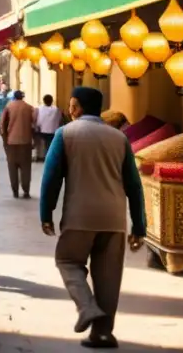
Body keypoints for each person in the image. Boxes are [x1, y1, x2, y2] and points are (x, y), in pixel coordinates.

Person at [40, 86, 146, 350]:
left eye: (71, 105)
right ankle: (103, 334)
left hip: (79, 215)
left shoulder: (65, 134)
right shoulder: (119, 139)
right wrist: (139, 226)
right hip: (114, 219)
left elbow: (51, 178)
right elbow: (134, 185)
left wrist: (46, 213)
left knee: (67, 259)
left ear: (76, 107)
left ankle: (86, 307)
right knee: (108, 277)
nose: (68, 109)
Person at [0, 89, 36, 198]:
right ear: (22, 97)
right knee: (26, 168)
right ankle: (26, 191)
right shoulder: (29, 108)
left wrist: (5, 139)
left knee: (12, 168)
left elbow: (2, 125)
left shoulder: (9, 107)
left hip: (11, 142)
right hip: (25, 142)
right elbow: (34, 124)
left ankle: (15, 191)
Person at [34, 94, 62, 162]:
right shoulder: (56, 109)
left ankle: (41, 156)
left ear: (43, 101)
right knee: (50, 144)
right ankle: (49, 157)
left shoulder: (40, 108)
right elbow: (59, 119)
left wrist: (37, 127)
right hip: (53, 130)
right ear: (52, 101)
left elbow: (38, 121)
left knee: (42, 144)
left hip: (42, 130)